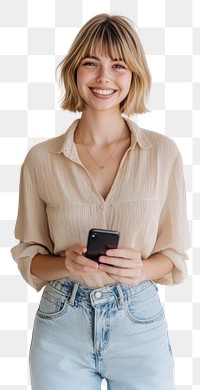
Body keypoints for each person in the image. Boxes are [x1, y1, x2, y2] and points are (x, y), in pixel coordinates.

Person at [11, 13, 190, 390]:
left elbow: (173, 255)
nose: (103, 77)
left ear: (134, 75)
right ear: (75, 71)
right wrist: (66, 264)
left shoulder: (163, 153)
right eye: (91, 63)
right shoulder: (41, 159)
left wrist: (139, 269)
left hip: (139, 324)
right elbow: (31, 258)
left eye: (118, 65)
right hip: (62, 324)